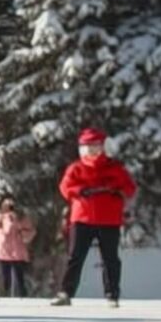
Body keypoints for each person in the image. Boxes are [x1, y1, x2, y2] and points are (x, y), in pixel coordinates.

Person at [54, 127, 135, 307]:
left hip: (109, 220)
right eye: (87, 147)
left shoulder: (115, 168)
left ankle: (112, 294)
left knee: (110, 258)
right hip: (82, 219)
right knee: (75, 257)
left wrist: (116, 190)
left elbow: (130, 188)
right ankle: (65, 292)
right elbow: (65, 187)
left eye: (96, 146)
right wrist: (80, 190)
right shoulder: (76, 168)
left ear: (103, 147)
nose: (92, 151)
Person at [0, 197, 34, 297]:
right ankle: (5, 295)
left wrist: (23, 234)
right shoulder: (0, 218)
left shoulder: (20, 218)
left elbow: (30, 230)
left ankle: (21, 295)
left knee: (18, 276)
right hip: (6, 250)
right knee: (7, 276)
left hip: (15, 251)